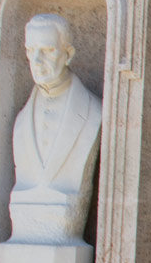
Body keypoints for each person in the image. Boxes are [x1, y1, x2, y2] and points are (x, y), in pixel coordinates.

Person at [10, 13, 103, 243]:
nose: (37, 61)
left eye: (48, 51)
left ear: (68, 54)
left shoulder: (94, 112)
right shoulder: (21, 121)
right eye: (31, 51)